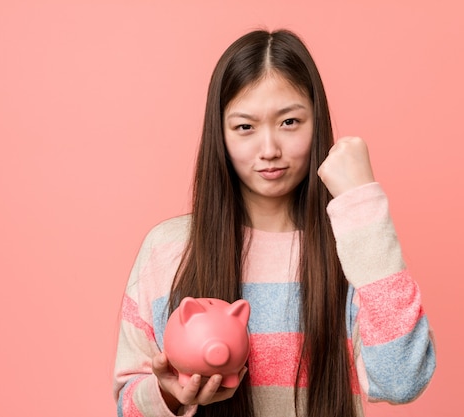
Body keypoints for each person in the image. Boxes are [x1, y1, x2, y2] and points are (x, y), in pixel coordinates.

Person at [113, 29, 436, 417]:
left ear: (317, 123)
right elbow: (127, 403)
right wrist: (168, 395)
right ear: (221, 134)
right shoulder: (169, 250)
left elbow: (402, 381)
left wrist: (362, 203)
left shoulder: (354, 246)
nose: (269, 150)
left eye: (289, 122)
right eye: (245, 127)